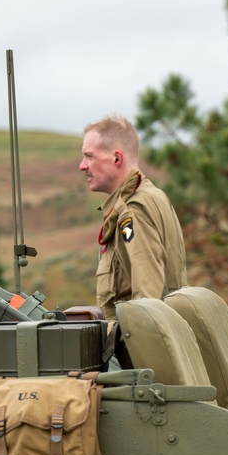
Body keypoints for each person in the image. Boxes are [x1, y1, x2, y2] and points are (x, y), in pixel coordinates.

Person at [80, 115, 187, 321]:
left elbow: (148, 301)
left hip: (140, 348)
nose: (82, 165)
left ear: (117, 159)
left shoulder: (133, 211)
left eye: (89, 156)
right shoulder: (152, 196)